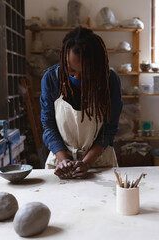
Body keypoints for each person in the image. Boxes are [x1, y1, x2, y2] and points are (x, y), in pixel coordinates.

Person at [40, 26, 123, 179]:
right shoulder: (52, 79)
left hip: (99, 162)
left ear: (96, 68)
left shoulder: (109, 80)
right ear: (64, 61)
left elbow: (109, 129)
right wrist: (63, 160)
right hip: (61, 160)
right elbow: (49, 124)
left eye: (85, 73)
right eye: (71, 71)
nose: (77, 77)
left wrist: (86, 162)